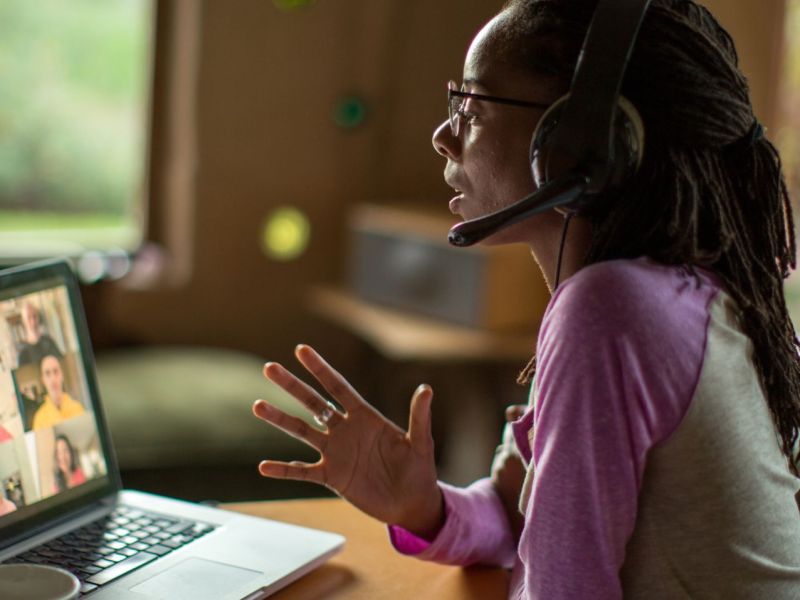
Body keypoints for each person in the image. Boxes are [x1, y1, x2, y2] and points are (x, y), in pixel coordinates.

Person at [252, 0, 800, 597]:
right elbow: (521, 520)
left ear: (578, 144)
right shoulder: (673, 292)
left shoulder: (611, 309)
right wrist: (423, 506)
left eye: (473, 106)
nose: (442, 136)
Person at [31, 354, 85, 431]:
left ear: (61, 375)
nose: (53, 379)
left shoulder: (78, 408)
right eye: (47, 373)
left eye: (56, 371)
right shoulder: (39, 419)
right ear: (43, 380)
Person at [17, 302, 62, 367]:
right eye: (28, 317)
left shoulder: (49, 341)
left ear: (38, 318)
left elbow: (60, 363)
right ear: (23, 321)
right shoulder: (23, 352)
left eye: (34, 316)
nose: (33, 321)